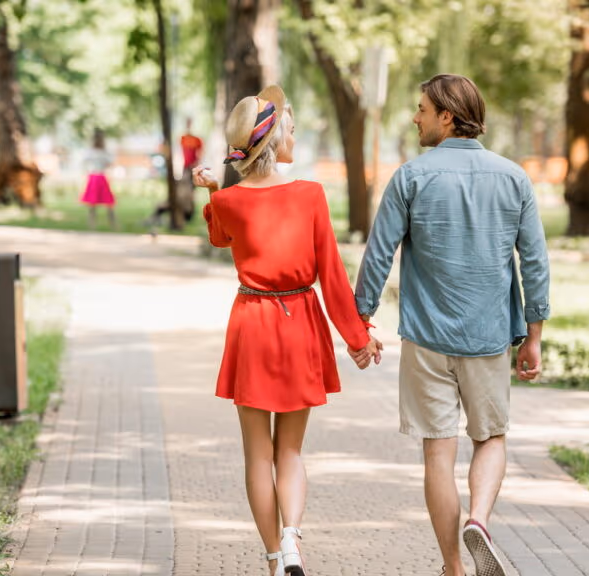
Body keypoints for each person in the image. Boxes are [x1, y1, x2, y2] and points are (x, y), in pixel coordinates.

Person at [354, 74, 551, 576]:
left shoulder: (410, 177)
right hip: (488, 339)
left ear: (447, 115)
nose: (415, 117)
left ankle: (452, 567)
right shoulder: (512, 178)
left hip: (426, 340)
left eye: (421, 109)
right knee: (490, 439)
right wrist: (534, 337)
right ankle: (479, 520)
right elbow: (534, 263)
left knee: (437, 456)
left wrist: (361, 321)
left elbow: (379, 255)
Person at [193, 85, 382, 576]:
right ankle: (293, 538)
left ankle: (275, 559)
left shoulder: (231, 202)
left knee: (257, 454)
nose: (295, 135)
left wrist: (214, 191)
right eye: (292, 129)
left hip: (252, 323)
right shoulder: (310, 195)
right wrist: (358, 339)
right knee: (290, 450)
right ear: (275, 140)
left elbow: (219, 236)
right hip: (299, 322)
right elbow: (333, 277)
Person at [79, 129, 116, 230]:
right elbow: (84, 162)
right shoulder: (91, 151)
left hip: (102, 176)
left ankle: (113, 224)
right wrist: (87, 172)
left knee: (109, 202)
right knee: (92, 203)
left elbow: (110, 163)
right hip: (94, 177)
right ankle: (92, 225)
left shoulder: (105, 151)